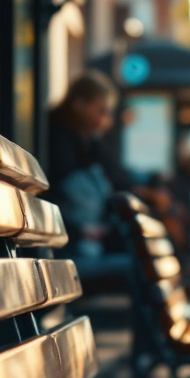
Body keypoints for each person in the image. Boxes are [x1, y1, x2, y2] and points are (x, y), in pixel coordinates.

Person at [45, 72, 130, 279]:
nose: (106, 121)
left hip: (78, 243)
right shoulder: (57, 141)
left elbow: (120, 176)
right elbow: (50, 198)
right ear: (79, 104)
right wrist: (80, 231)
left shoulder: (89, 143)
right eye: (101, 111)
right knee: (137, 267)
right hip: (63, 250)